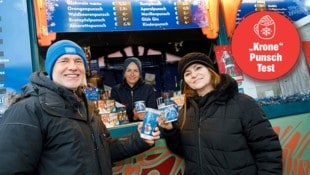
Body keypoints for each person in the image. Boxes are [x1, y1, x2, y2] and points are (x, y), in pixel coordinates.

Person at [0, 40, 160, 175]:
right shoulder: (28, 110)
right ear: (50, 68)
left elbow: (107, 149)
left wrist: (140, 139)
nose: (73, 67)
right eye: (64, 61)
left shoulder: (88, 108)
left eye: (78, 61)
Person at [158, 52, 282, 175]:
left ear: (210, 71)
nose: (194, 75)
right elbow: (186, 151)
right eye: (187, 73)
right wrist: (170, 131)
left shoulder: (242, 103)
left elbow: (268, 151)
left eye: (198, 68)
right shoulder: (186, 111)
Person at [110, 57, 157, 122]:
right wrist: (134, 117)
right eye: (129, 70)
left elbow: (153, 114)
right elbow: (115, 116)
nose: (132, 74)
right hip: (124, 130)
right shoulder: (116, 90)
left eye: (135, 70)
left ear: (140, 74)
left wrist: (144, 116)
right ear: (124, 73)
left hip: (144, 128)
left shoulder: (149, 89)